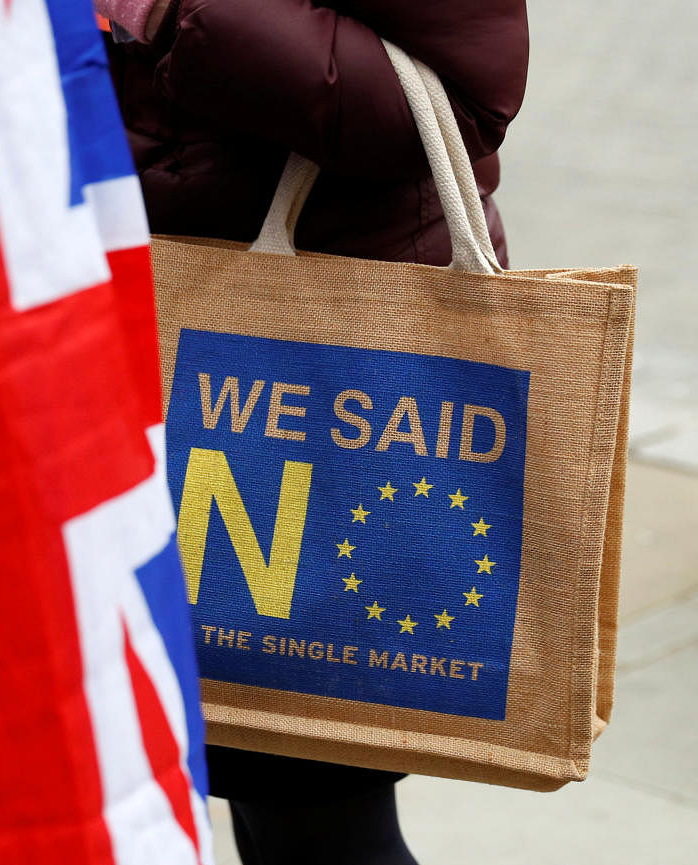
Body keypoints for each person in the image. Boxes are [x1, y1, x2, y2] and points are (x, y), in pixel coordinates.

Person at [94, 1, 530, 862]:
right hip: (120, 346)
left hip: (319, 390)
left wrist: (171, 11)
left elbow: (461, 103)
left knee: (309, 801)